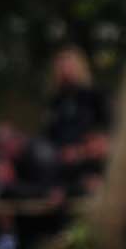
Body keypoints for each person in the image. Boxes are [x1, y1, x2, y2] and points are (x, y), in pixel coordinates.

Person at [42, 46, 109, 190]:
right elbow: (48, 135)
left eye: (69, 66)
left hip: (88, 158)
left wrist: (81, 151)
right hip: (60, 161)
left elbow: (105, 132)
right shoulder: (55, 101)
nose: (65, 70)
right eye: (61, 67)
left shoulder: (94, 95)